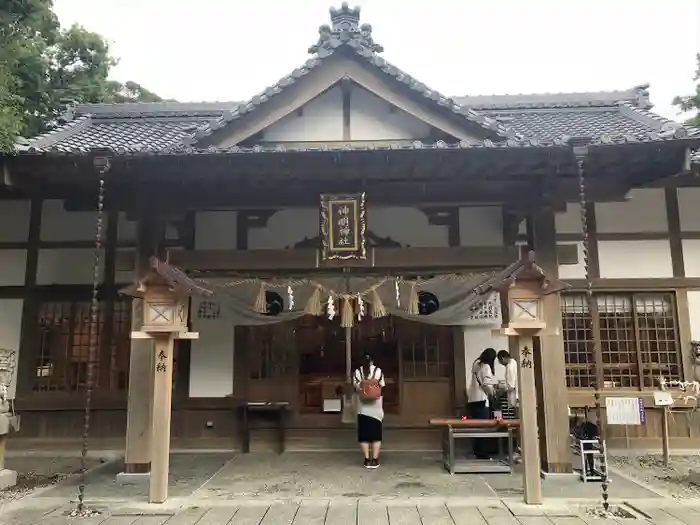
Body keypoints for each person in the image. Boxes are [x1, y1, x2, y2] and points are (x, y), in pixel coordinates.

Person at [353, 353, 385, 469]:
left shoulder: (357, 372)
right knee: (376, 435)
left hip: (363, 408)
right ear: (372, 361)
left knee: (364, 435)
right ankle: (375, 460)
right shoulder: (378, 371)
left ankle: (367, 459)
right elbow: (382, 386)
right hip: (376, 408)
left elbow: (356, 388)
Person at [466, 348, 497, 459]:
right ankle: (483, 453)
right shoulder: (486, 367)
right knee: (484, 427)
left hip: (472, 400)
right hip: (482, 400)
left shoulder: (476, 364)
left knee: (476, 427)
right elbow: (487, 384)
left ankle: (477, 451)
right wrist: (492, 394)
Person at [497, 350, 519, 419]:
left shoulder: (509, 367)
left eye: (499, 361)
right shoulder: (514, 362)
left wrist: (500, 388)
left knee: (517, 418)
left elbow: (511, 387)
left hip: (515, 397)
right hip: (517, 396)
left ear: (502, 358)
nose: (500, 363)